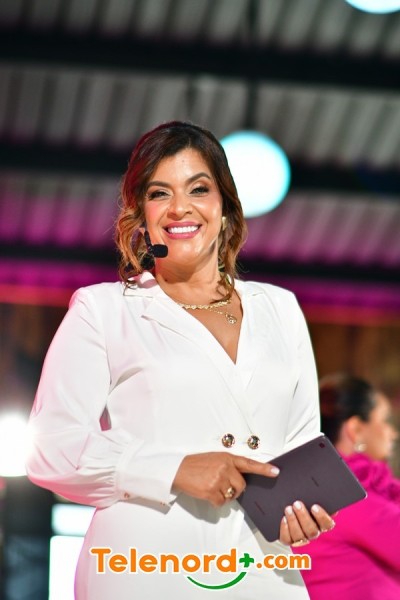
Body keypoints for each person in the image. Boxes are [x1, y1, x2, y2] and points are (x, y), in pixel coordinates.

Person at [25, 121, 335, 599]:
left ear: (225, 207)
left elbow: (302, 445)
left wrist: (304, 512)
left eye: (198, 189)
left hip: (261, 567)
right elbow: (51, 449)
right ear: (141, 215)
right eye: (159, 193)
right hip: (142, 566)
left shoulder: (281, 308)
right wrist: (173, 468)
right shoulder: (104, 309)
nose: (180, 207)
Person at [296, 374, 400, 599]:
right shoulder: (348, 495)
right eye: (385, 420)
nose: (393, 433)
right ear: (356, 429)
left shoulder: (316, 485)